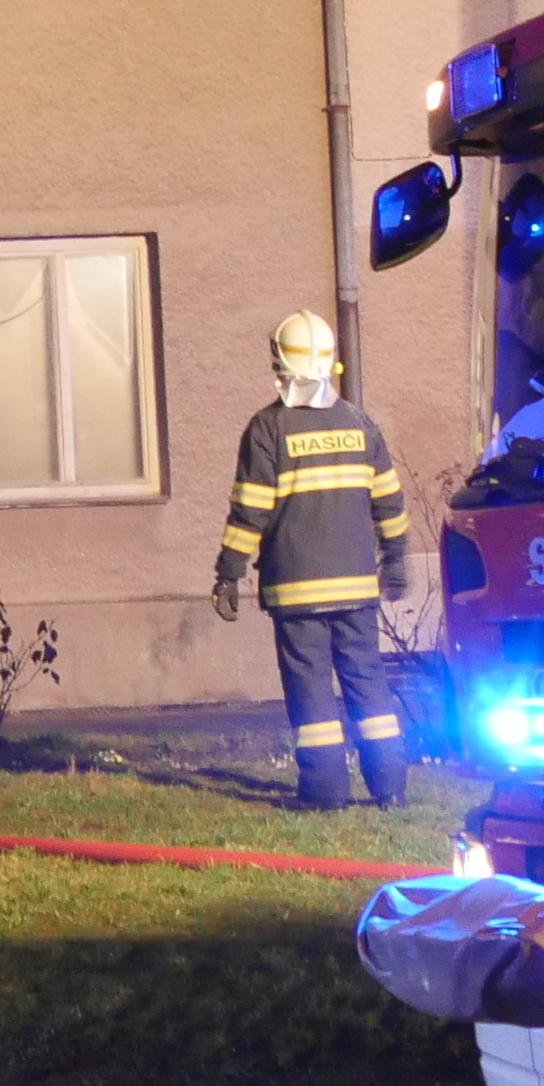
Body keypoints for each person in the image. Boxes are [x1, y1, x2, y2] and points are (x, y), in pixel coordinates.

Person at [211, 311, 416, 810]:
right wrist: (395, 561)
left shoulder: (268, 429)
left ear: (280, 365)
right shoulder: (360, 425)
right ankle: (389, 786)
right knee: (367, 681)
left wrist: (228, 573)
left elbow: (250, 511)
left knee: (311, 690)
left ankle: (325, 792)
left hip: (296, 589)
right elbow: (389, 502)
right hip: (356, 589)